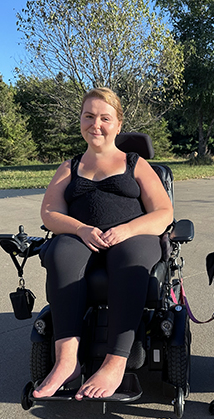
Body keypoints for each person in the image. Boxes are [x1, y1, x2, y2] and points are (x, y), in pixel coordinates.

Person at [33, 87, 173, 400]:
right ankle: (67, 361)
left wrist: (127, 230)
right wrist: (81, 229)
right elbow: (50, 212)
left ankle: (115, 362)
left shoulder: (135, 163)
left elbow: (164, 213)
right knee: (60, 251)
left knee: (129, 255)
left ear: (118, 125)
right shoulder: (69, 167)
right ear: (80, 121)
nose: (96, 124)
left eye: (105, 118)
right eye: (89, 116)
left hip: (133, 239)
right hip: (83, 240)